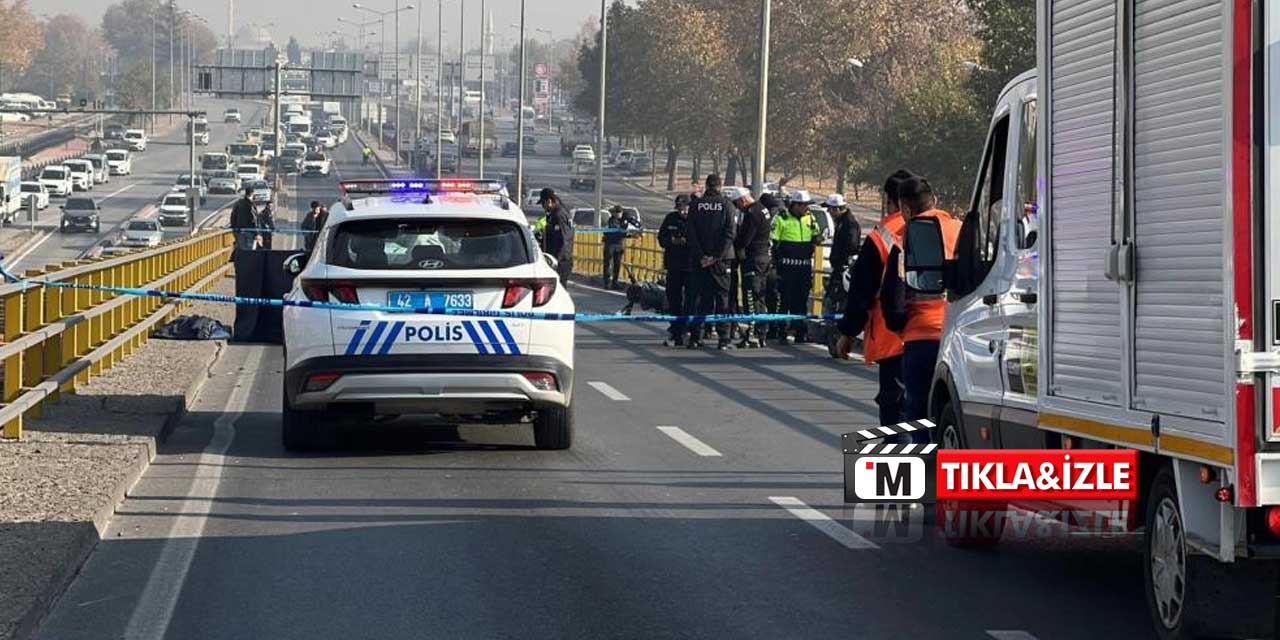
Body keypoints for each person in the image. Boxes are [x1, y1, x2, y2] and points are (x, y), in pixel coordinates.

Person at [882, 175, 961, 439]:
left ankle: (926, 472)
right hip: (960, 336)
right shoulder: (959, 230)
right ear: (934, 200)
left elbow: (892, 297)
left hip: (921, 337)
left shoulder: (904, 240)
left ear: (904, 208)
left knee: (917, 410)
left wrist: (899, 327)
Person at [835, 170, 914, 428]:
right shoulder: (948, 227)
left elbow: (861, 291)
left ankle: (901, 468)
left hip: (895, 338)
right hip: (943, 339)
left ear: (891, 201)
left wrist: (847, 334)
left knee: (897, 411)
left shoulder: (882, 236)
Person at [685, 174, 738, 349]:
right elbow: (730, 233)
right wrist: (716, 256)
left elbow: (690, 233)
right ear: (720, 186)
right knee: (722, 298)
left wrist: (702, 256)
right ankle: (723, 338)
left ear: (706, 186)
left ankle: (695, 336)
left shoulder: (695, 205)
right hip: (722, 261)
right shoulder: (727, 205)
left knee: (700, 298)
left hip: (699, 261)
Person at [770, 190, 822, 343]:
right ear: (795, 204)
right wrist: (776, 265)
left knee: (801, 300)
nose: (806, 208)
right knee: (784, 300)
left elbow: (816, 235)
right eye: (804, 205)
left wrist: (818, 238)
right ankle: (781, 331)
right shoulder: (781, 218)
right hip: (786, 268)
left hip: (804, 268)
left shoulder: (810, 218)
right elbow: (773, 242)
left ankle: (800, 330)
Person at [729, 187, 772, 348]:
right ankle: (761, 332)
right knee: (760, 296)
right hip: (763, 258)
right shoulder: (763, 209)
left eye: (736, 203)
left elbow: (744, 239)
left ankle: (753, 333)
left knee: (751, 297)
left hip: (753, 259)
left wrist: (735, 244)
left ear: (742, 200)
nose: (737, 207)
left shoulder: (752, 213)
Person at [658, 194, 693, 346]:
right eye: (680, 208)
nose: (682, 211)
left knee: (691, 299)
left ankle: (688, 328)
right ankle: (675, 328)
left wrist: (686, 242)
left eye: (685, 208)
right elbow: (662, 239)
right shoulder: (670, 218)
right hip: (673, 265)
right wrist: (672, 241)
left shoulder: (695, 219)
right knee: (673, 298)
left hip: (691, 265)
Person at [824, 193, 861, 292]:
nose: (828, 212)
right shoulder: (842, 222)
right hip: (839, 268)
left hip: (843, 270)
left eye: (830, 209)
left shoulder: (849, 223)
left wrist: (842, 264)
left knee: (835, 300)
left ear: (837, 209)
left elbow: (852, 246)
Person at [759, 193, 784, 339]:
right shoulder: (774, 218)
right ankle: (771, 327)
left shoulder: (768, 219)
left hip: (769, 263)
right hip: (771, 263)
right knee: (770, 296)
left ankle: (768, 327)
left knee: (767, 296)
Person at [538, 188, 575, 282]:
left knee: (558, 290)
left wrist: (556, 261)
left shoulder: (558, 215)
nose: (543, 207)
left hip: (560, 261)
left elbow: (563, 240)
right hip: (561, 258)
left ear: (549, 201)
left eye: (543, 203)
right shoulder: (559, 212)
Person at [602, 205, 629, 289]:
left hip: (618, 244)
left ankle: (615, 282)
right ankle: (607, 282)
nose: (619, 214)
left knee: (617, 264)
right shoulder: (611, 221)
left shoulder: (621, 221)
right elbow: (616, 231)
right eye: (617, 212)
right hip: (610, 244)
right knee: (608, 264)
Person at [229, 186, 258, 250]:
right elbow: (254, 219)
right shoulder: (251, 205)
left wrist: (234, 228)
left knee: (241, 250)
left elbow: (233, 216)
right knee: (249, 252)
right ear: (252, 194)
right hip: (249, 232)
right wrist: (257, 233)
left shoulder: (238, 203)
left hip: (239, 231)